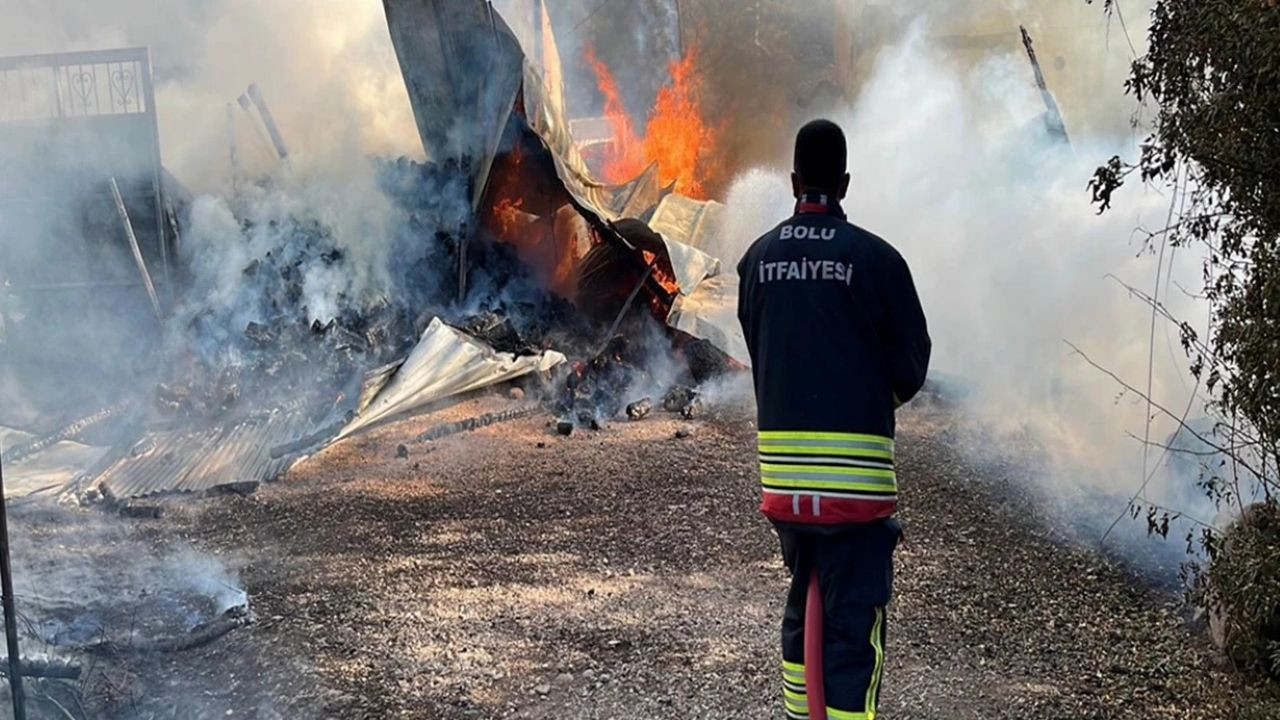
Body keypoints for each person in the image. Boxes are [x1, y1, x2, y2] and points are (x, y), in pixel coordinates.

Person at [736, 119, 930, 719]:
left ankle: (802, 715)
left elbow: (760, 349)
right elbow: (912, 367)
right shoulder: (878, 261)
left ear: (794, 180)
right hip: (856, 486)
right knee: (853, 625)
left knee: (804, 606)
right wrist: (867, 398)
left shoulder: (756, 260)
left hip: (785, 484)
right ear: (845, 182)